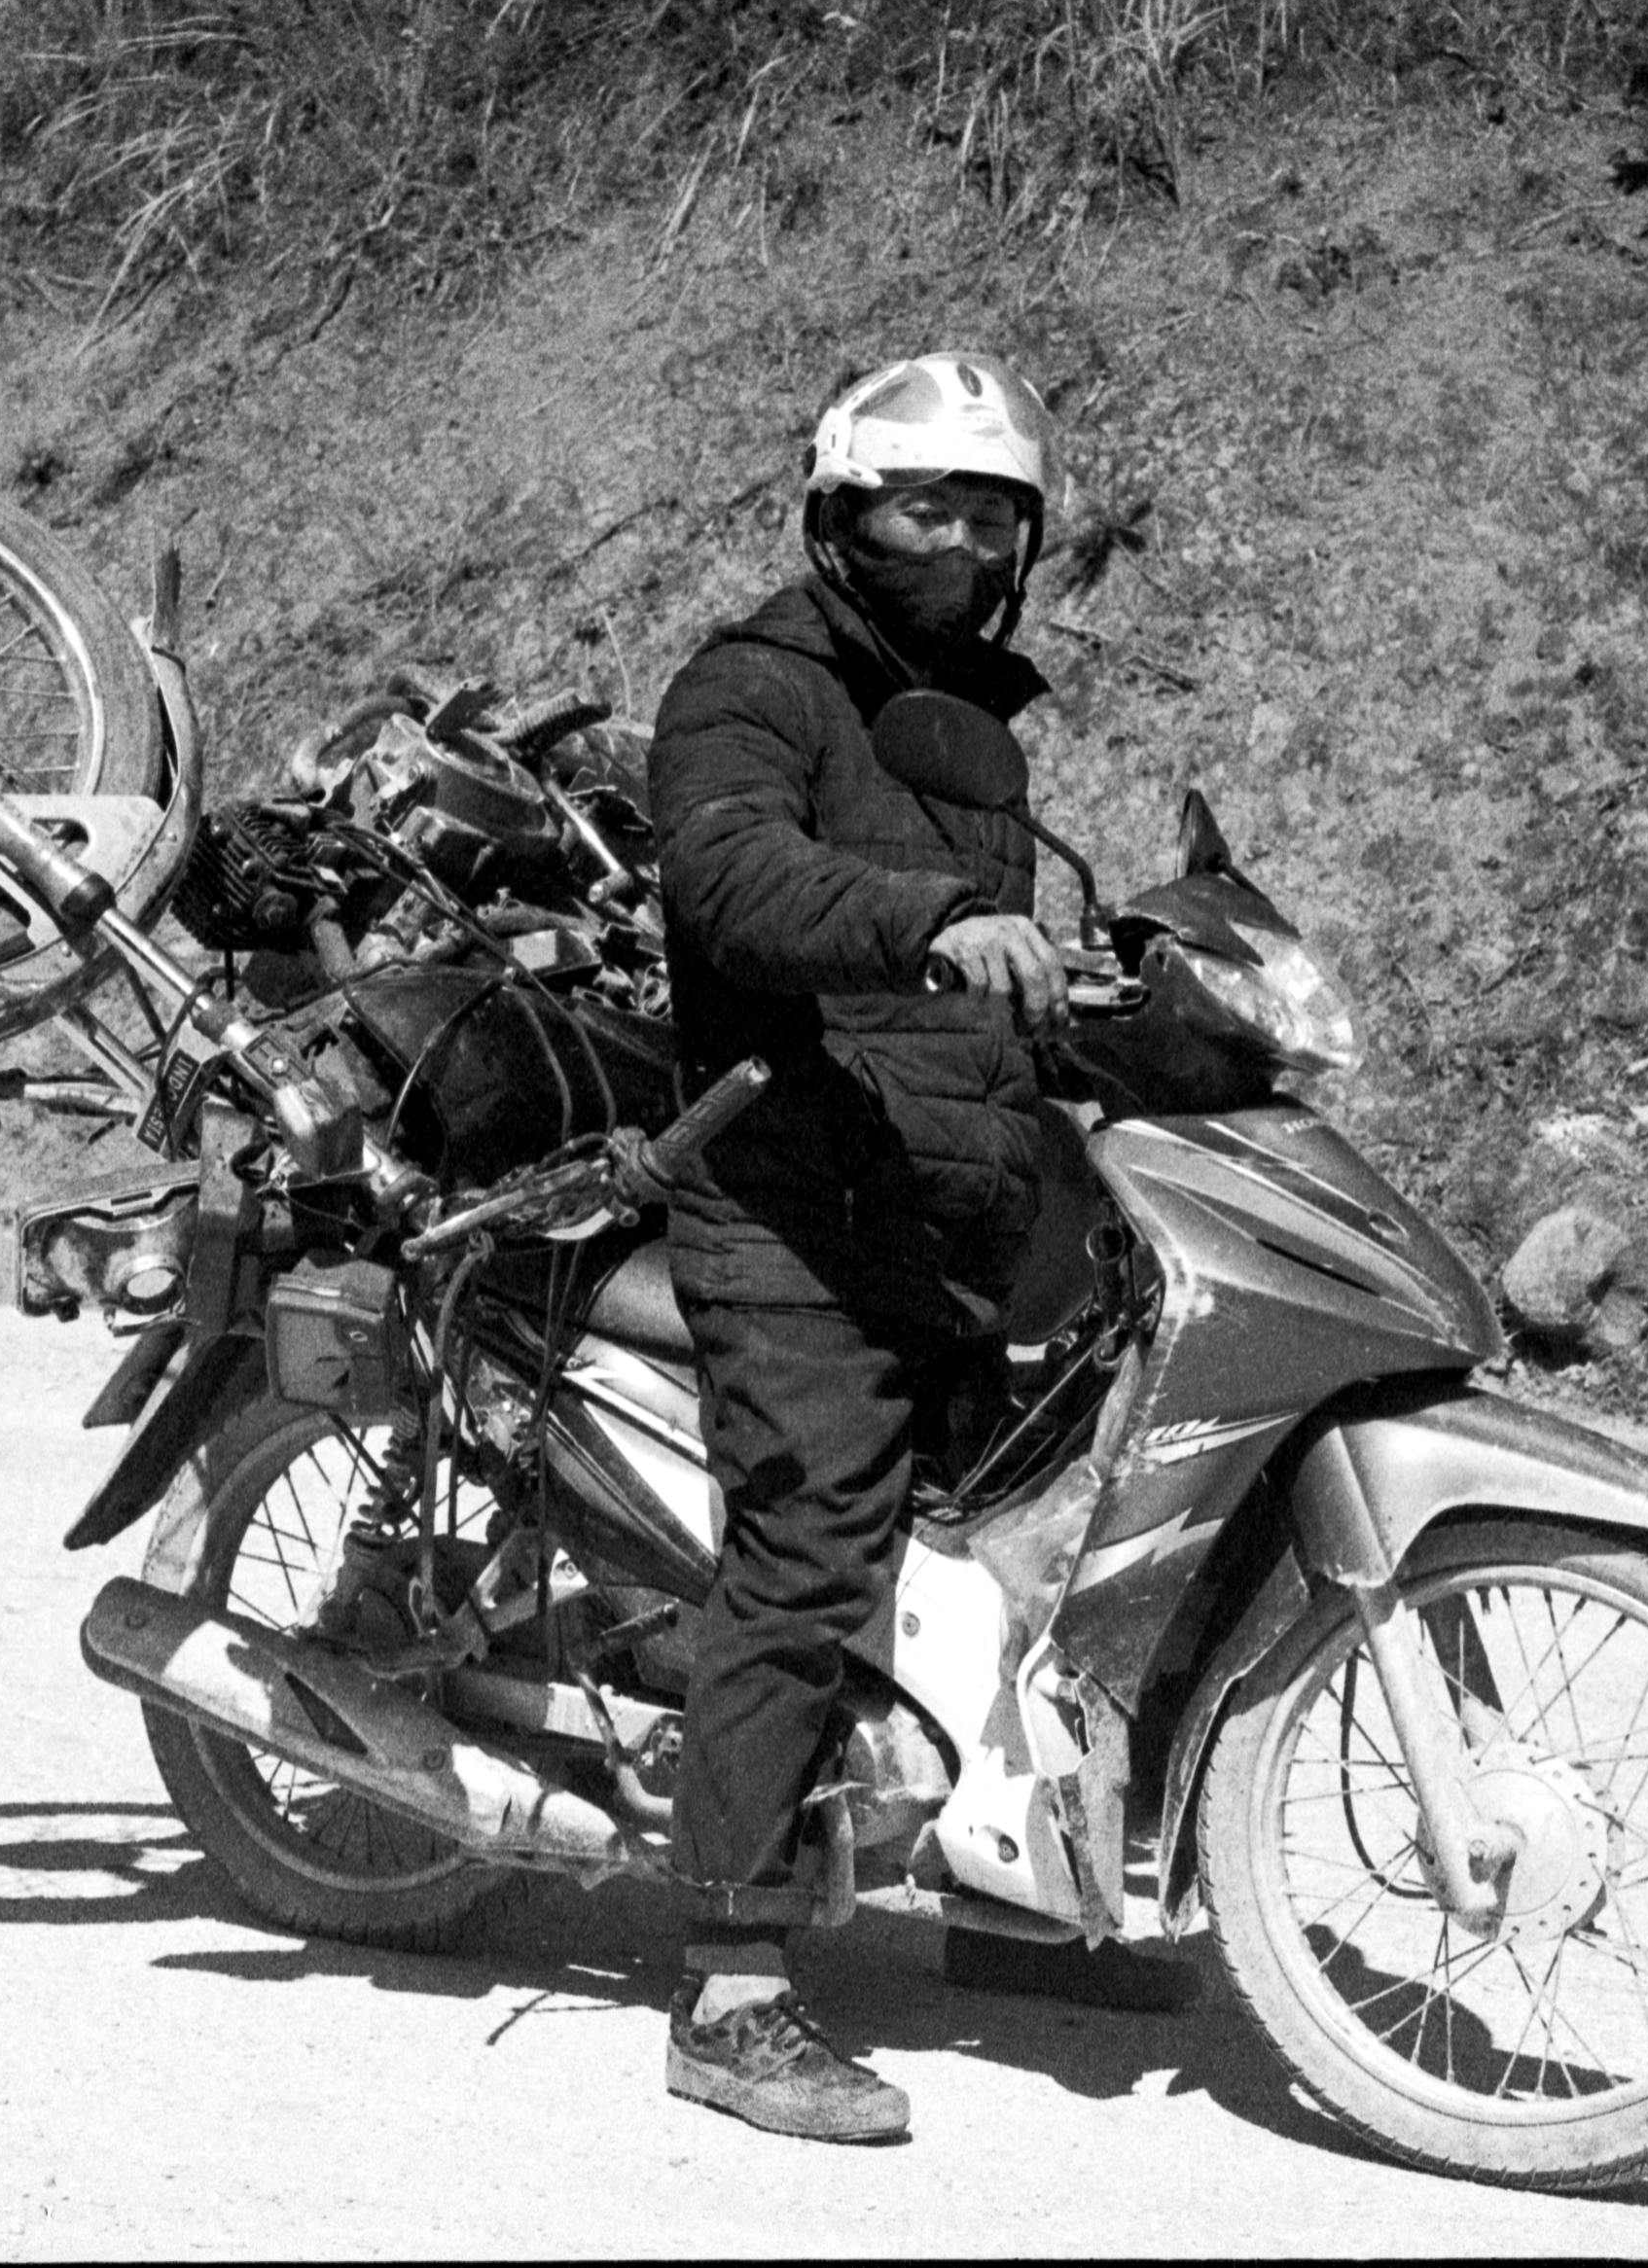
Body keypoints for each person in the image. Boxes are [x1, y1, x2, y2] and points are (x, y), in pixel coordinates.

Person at [643, 352, 1081, 2143]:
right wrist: (931, 919)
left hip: (940, 1203)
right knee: (814, 1545)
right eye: (925, 506)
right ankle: (731, 1987)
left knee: (1031, 1527)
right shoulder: (756, 687)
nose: (961, 541)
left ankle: (1001, 1881)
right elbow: (733, 882)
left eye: (993, 513)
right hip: (786, 1199)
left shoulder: (966, 727)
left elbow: (991, 967)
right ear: (839, 518)